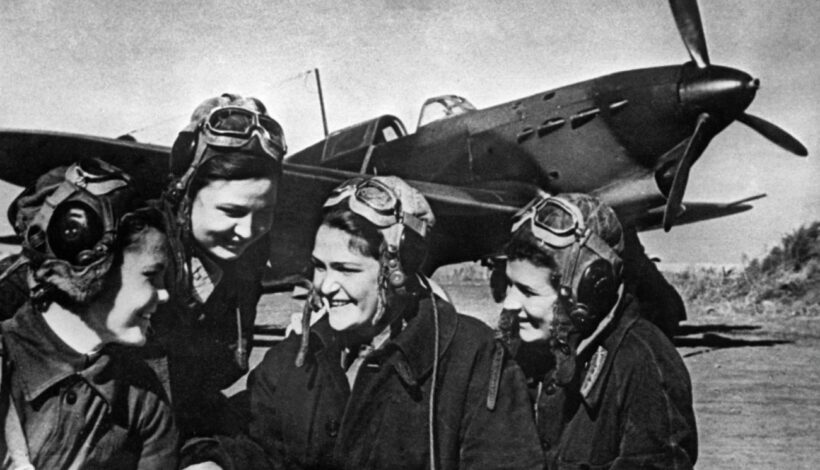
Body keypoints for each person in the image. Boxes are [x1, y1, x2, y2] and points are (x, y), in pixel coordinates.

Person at [217, 176, 543, 469]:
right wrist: (216, 461)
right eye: (320, 266)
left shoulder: (474, 358)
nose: (325, 286)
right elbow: (254, 444)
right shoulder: (296, 356)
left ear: (397, 273)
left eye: (346, 269)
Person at [0, 160, 178, 468]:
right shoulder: (5, 365)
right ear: (95, 272)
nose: (164, 294)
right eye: (151, 276)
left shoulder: (143, 398)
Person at [500, 193, 697, 469]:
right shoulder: (523, 349)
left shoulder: (643, 364)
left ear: (587, 293)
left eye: (529, 292)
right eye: (509, 284)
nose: (509, 304)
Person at [146, 93, 285, 466]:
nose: (248, 231)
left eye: (264, 213)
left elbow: (195, 398)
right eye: (231, 211)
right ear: (186, 193)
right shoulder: (127, 251)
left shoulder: (240, 268)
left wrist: (211, 456)